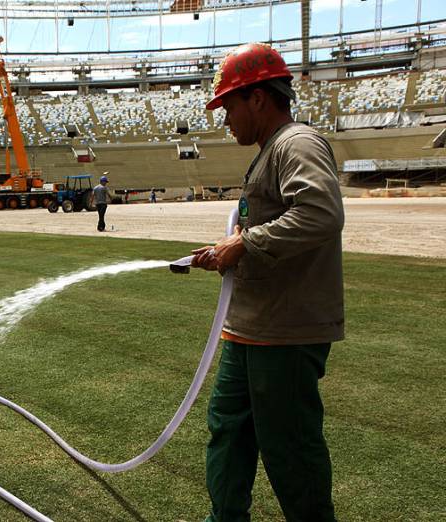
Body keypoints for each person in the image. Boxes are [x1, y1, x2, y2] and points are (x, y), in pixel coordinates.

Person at [189, 43, 343, 522]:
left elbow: (320, 213)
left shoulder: (296, 144)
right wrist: (230, 245)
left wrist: (246, 244)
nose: (225, 119)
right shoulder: (269, 152)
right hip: (250, 328)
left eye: (229, 106)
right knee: (228, 432)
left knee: (289, 448)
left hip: (285, 332)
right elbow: (270, 224)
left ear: (258, 98)